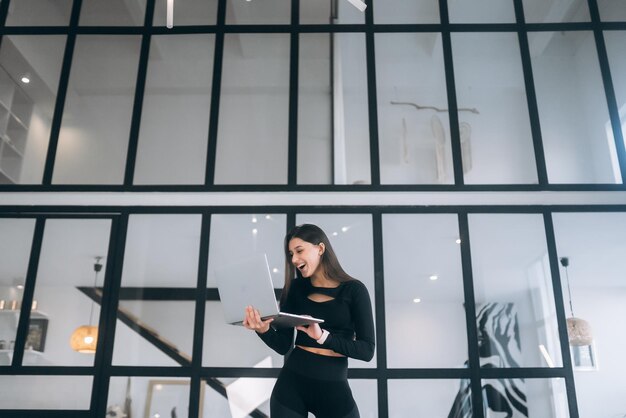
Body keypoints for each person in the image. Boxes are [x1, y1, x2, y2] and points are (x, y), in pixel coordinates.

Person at [243, 224, 375, 418]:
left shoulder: (354, 290)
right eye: (291, 254)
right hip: (291, 385)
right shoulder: (295, 289)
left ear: (320, 248)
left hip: (334, 390)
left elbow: (367, 350)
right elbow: (283, 345)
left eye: (299, 251)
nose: (294, 259)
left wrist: (323, 337)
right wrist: (263, 330)